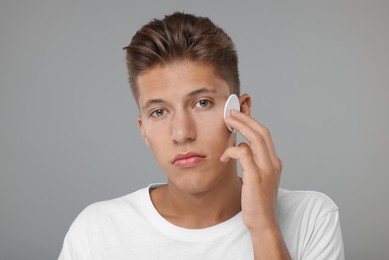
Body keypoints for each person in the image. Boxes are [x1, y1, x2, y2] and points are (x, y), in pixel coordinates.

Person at [58, 12, 345, 260]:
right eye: (159, 112)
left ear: (240, 110)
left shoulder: (311, 217)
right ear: (143, 129)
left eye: (202, 103)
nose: (182, 133)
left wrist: (265, 227)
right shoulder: (97, 231)